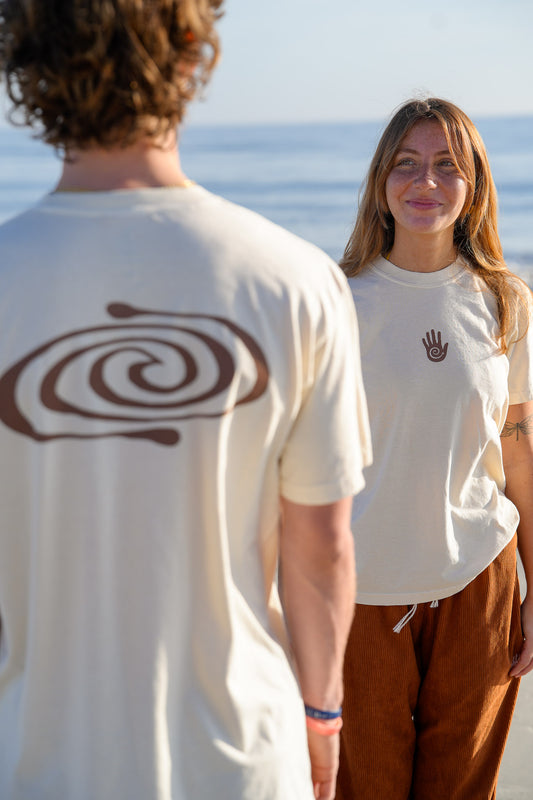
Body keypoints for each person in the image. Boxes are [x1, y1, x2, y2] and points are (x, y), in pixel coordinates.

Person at [0, 2, 372, 799]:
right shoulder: (296, 280)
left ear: (26, 60)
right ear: (191, 54)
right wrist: (323, 716)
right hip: (242, 758)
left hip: (34, 759)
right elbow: (322, 548)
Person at [335, 97, 533, 800]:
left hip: (479, 584)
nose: (425, 182)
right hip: (360, 596)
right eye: (406, 164)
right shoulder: (335, 302)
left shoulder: (505, 299)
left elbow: (512, 446)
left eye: (447, 166)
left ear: (473, 184)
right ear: (380, 183)